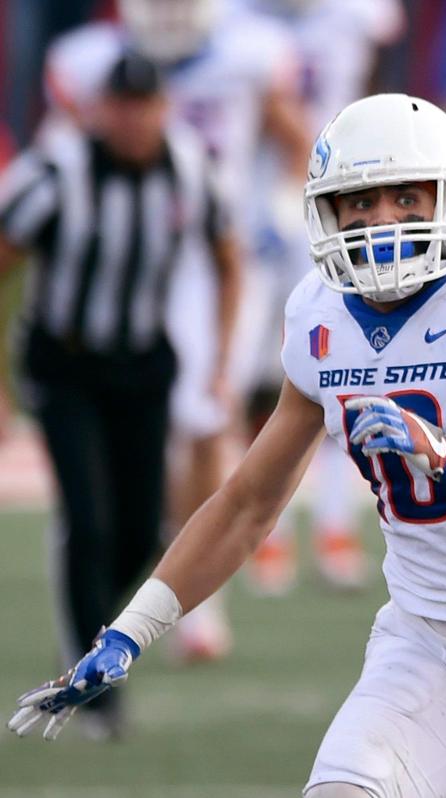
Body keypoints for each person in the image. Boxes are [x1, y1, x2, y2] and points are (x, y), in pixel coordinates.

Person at [9, 93, 446, 798]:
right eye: (359, 202)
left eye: (406, 196)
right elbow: (246, 505)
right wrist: (128, 632)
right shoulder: (321, 316)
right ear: (326, 212)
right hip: (426, 645)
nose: (381, 222)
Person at [45, 0, 311, 660]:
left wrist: (284, 203)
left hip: (215, 259)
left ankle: (199, 597)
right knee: (141, 433)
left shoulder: (251, 50)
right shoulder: (90, 59)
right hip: (128, 261)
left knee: (202, 418)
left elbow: (296, 137)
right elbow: (63, 148)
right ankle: (135, 567)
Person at [0, 52, 239, 738]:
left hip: (143, 364)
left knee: (141, 530)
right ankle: (95, 698)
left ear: (165, 107)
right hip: (65, 365)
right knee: (90, 520)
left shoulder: (189, 167)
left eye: (148, 103)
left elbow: (228, 259)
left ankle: (82, 634)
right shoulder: (54, 174)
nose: (136, 119)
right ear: (100, 108)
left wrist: (221, 358)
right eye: (123, 104)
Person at [239, 0, 407, 594]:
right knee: (262, 380)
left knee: (352, 360)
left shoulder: (358, 15)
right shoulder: (240, 26)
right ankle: (268, 527)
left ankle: (336, 523)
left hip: (347, 198)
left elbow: (383, 87)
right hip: (263, 203)